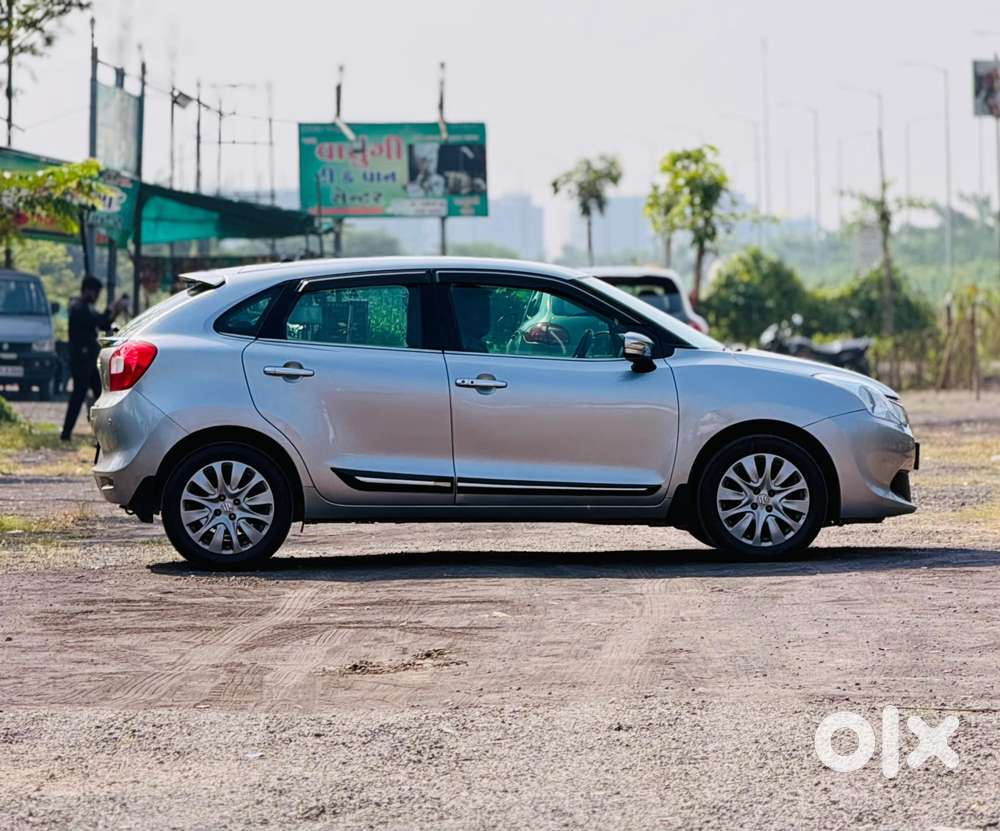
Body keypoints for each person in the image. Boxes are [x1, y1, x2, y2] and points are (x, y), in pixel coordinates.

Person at [60, 276, 128, 441]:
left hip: (89, 360)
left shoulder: (87, 307)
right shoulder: (78, 307)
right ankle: (66, 433)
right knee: (79, 395)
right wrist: (111, 308)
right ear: (88, 290)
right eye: (96, 292)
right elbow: (97, 321)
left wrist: (115, 311)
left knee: (101, 396)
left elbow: (104, 323)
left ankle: (104, 434)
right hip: (81, 360)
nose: (97, 296)